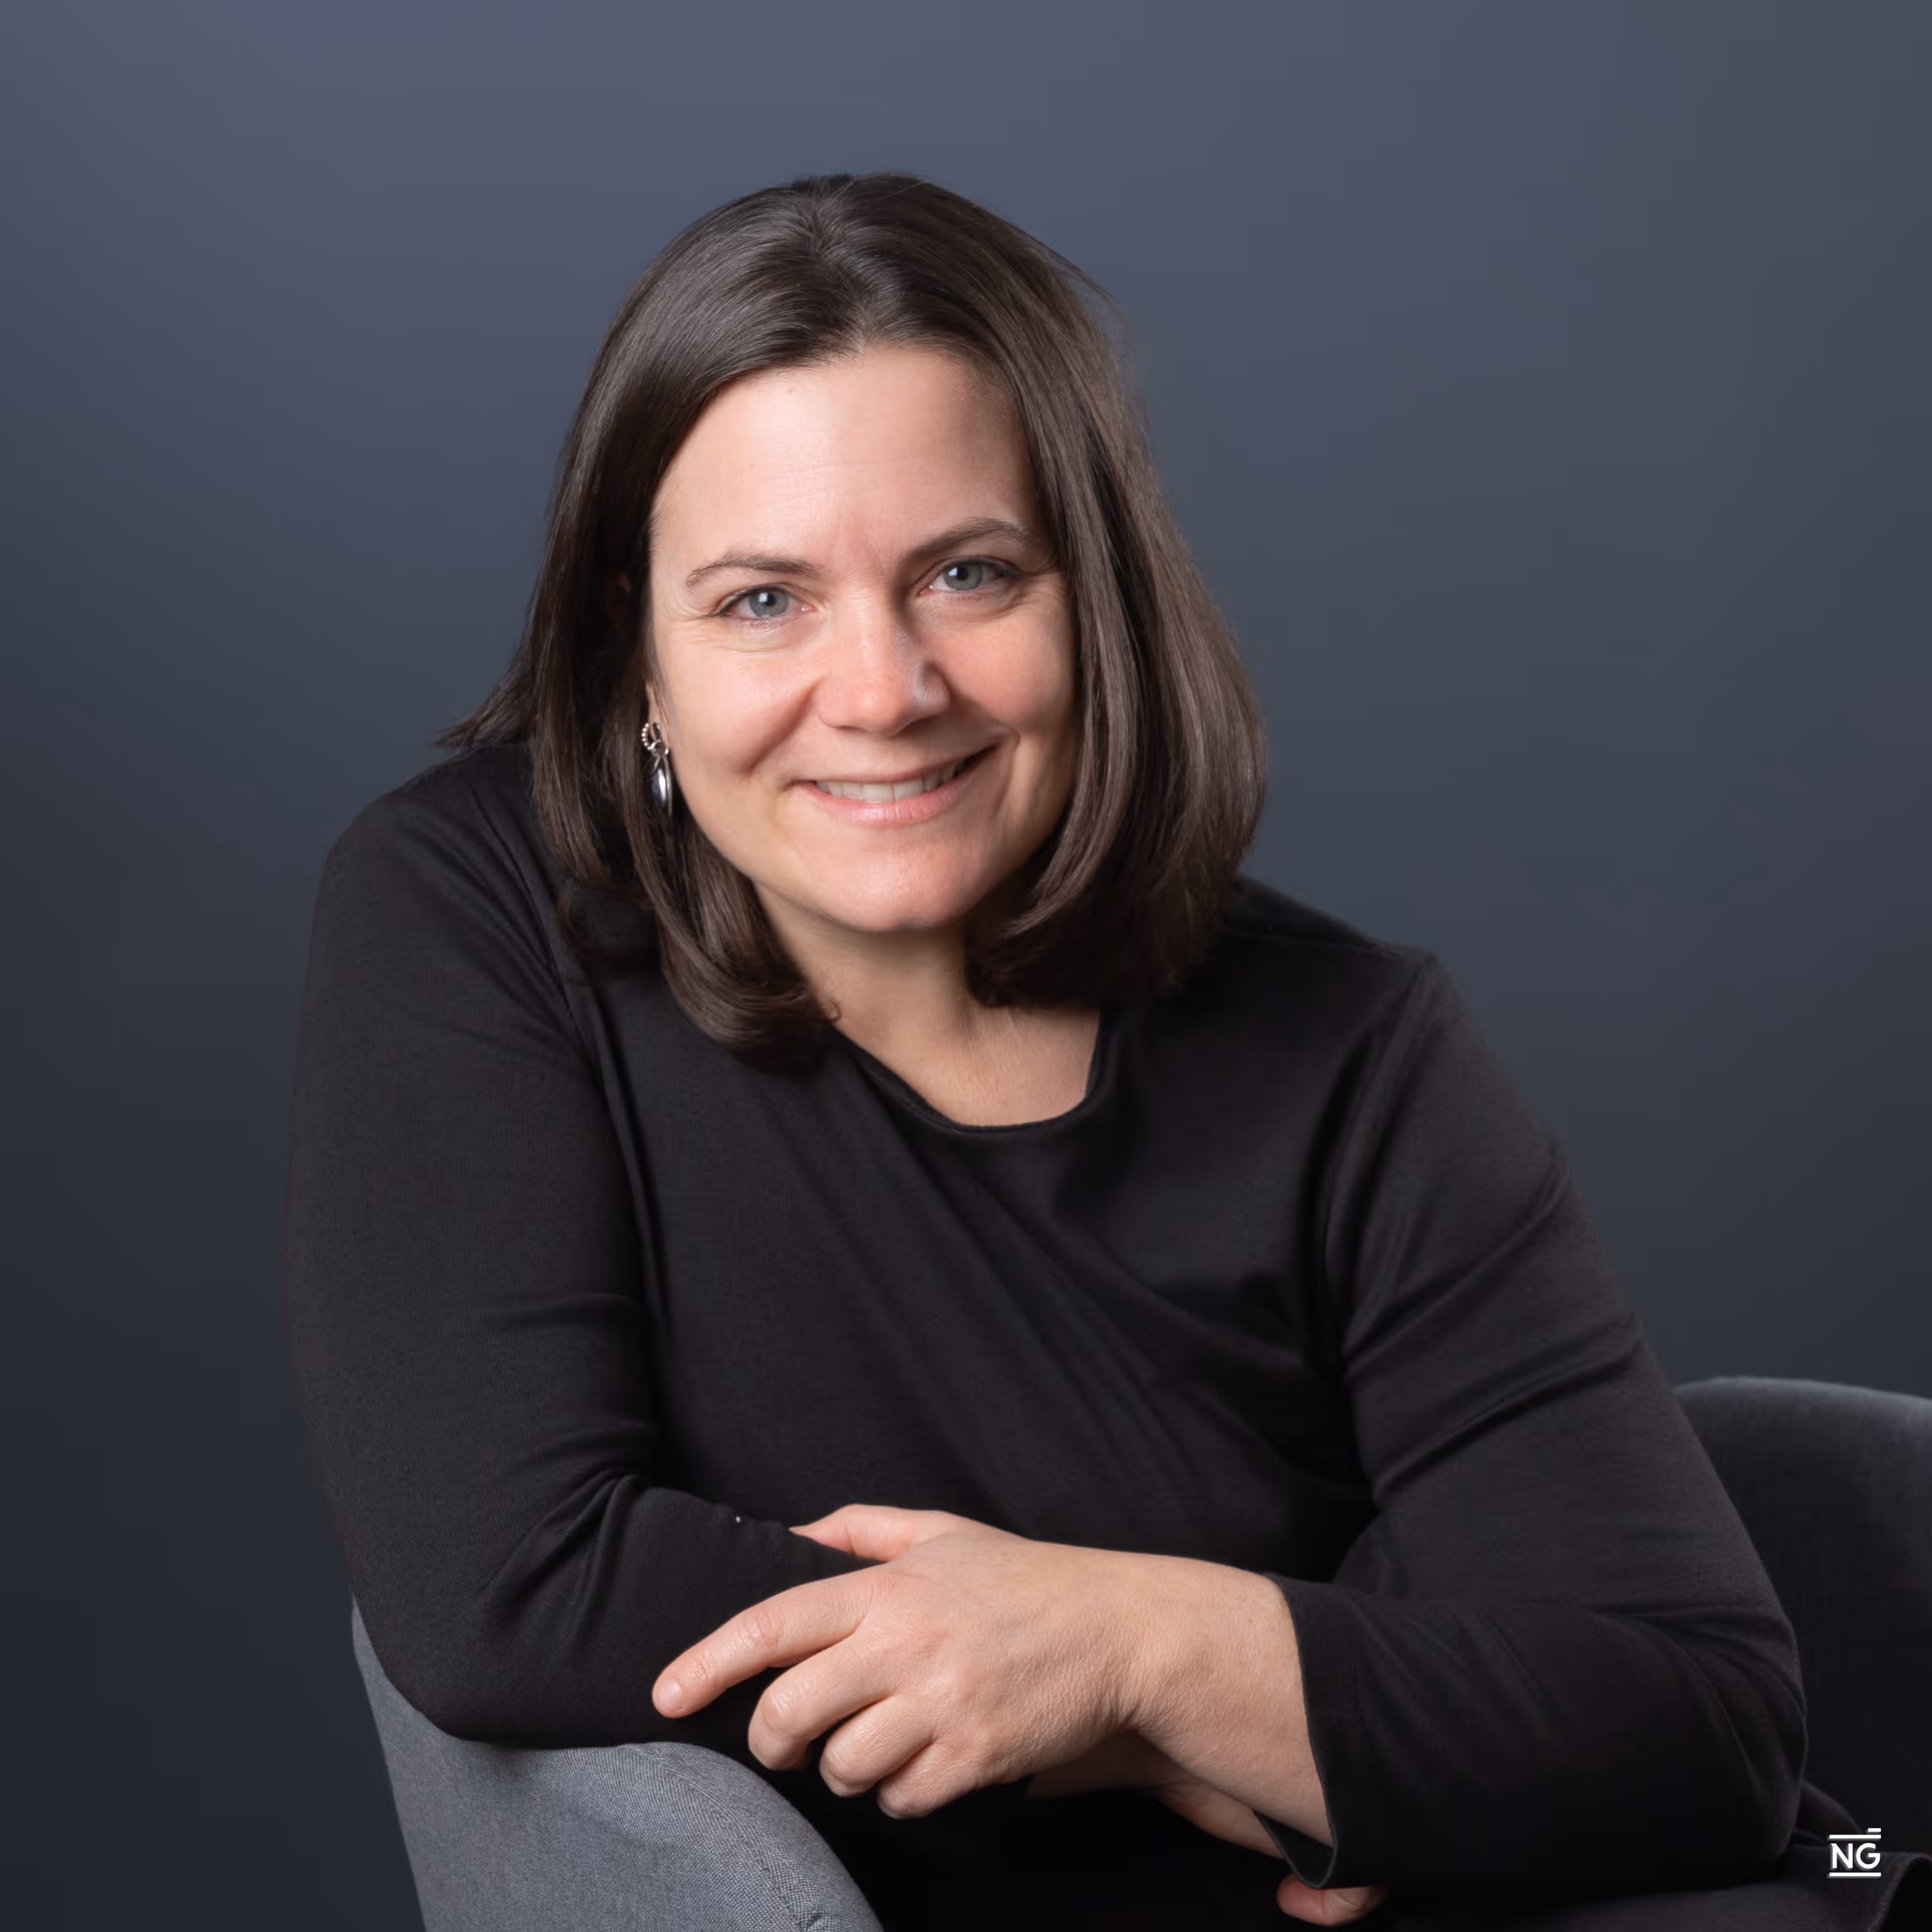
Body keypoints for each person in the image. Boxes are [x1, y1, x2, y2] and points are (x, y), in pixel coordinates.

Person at [282, 172, 1901, 1931]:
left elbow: (1715, 1740)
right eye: (764, 600)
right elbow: (508, 1582)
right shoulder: (477, 908)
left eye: (968, 573)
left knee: (1845, 1867)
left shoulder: (1354, 1049)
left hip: (1645, 1884)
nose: (885, 686)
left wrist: (1142, 1647)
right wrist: (1145, 1720)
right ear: (635, 650)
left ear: (1096, 593)